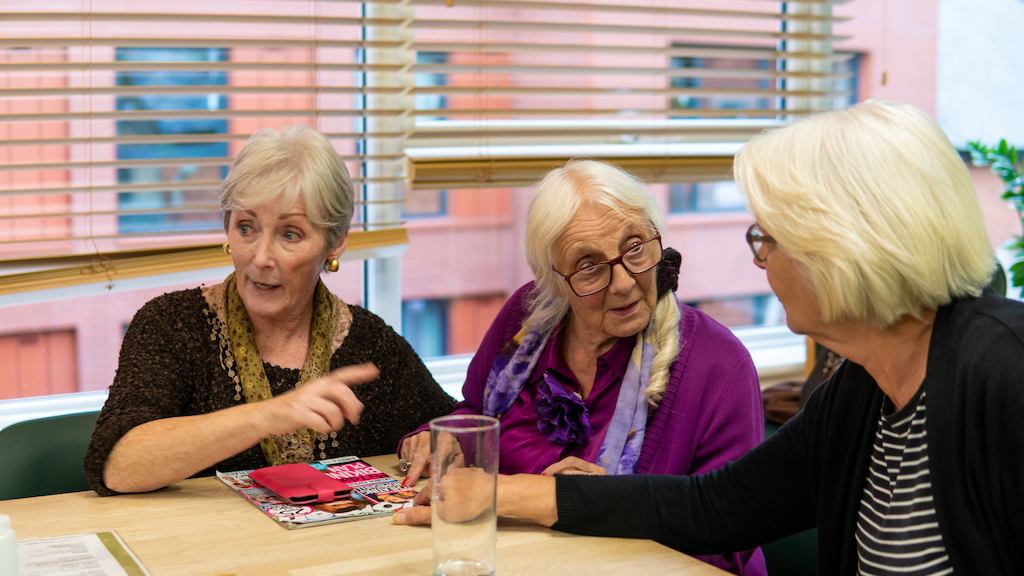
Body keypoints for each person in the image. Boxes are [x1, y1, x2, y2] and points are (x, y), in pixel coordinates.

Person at [394, 101, 1024, 575]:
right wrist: (502, 491)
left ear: (844, 251)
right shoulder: (863, 392)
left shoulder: (1002, 370)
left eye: (769, 238)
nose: (760, 261)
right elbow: (711, 507)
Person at [399, 159, 767, 575]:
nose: (625, 282)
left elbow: (727, 539)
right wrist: (445, 439)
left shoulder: (717, 364)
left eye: (635, 248)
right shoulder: (526, 319)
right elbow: (478, 413)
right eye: (590, 266)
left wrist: (601, 503)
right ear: (555, 279)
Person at [85, 125, 455, 495]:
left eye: (290, 234)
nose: (260, 259)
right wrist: (270, 414)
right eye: (246, 228)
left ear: (336, 242)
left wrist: (437, 439)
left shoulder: (371, 343)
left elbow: (456, 423)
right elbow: (119, 467)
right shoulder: (171, 324)